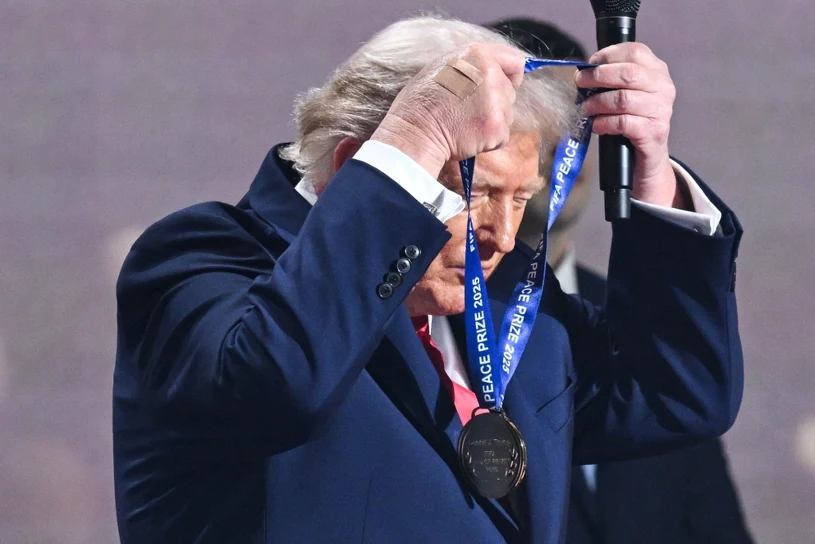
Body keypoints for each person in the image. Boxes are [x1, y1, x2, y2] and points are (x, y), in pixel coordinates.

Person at [113, 16, 744, 544]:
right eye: (479, 193)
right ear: (357, 167)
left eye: (520, 198)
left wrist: (654, 172)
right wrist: (417, 133)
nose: (502, 236)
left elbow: (675, 391)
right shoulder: (206, 258)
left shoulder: (501, 299)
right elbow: (276, 383)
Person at [488, 17, 754, 544]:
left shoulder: (649, 330)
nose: (564, 146)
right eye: (538, 122)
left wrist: (654, 172)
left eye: (577, 122)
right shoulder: (438, 315)